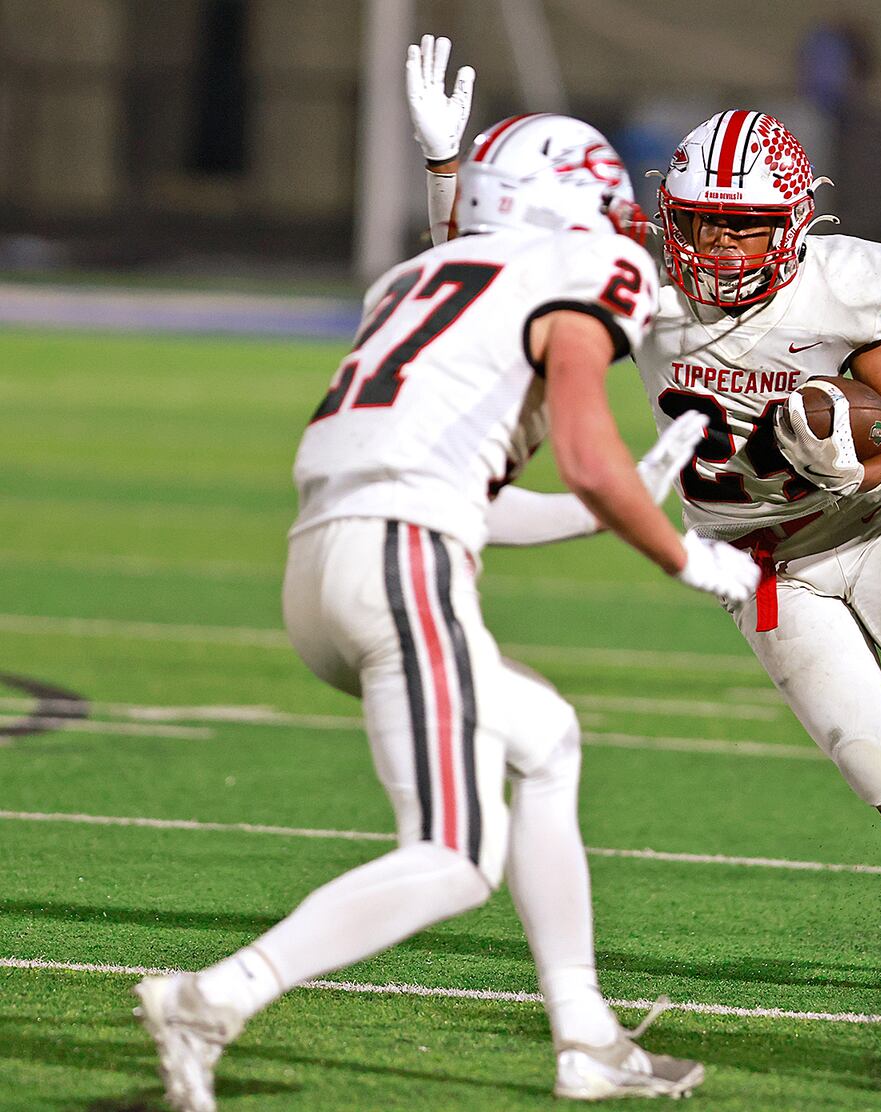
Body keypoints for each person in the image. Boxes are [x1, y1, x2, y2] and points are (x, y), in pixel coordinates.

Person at [403, 40, 881, 1007]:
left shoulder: (841, 287)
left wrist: (864, 463)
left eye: (745, 231)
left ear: (794, 224)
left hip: (864, 530)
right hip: (759, 568)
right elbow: (478, 291)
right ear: (670, 221)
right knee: (880, 771)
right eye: (705, 228)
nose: (723, 252)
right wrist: (447, 171)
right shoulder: (639, 293)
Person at [133, 111, 763, 1111]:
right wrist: (679, 549)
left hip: (330, 560)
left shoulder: (410, 283)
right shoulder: (580, 270)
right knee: (455, 855)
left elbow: (465, 487)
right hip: (402, 562)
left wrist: (603, 514)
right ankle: (213, 996)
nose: (619, 227)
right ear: (567, 205)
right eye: (604, 202)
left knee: (547, 737)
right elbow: (589, 456)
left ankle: (585, 1034)